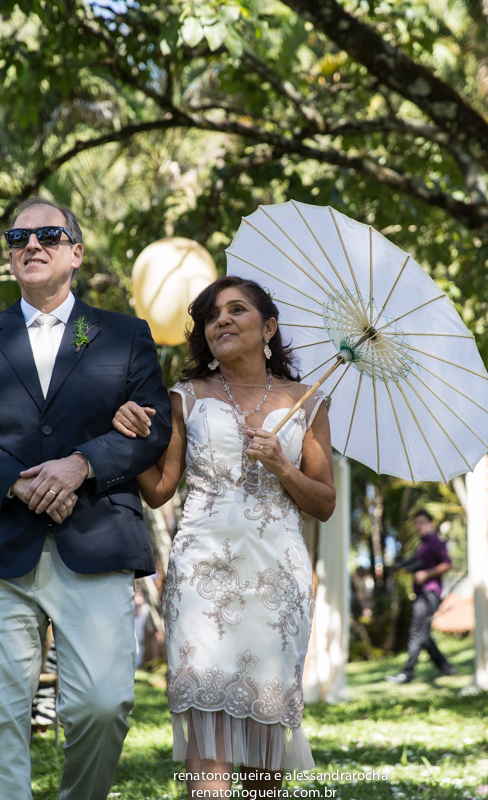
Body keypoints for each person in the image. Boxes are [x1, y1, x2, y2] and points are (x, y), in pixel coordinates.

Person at [0, 196, 172, 800]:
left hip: (94, 539)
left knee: (103, 703)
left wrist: (80, 465)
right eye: (18, 237)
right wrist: (20, 481)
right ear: (9, 256)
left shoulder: (125, 335)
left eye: (47, 235)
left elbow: (155, 428)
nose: (31, 244)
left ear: (76, 253)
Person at [112, 275, 336, 800]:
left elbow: (323, 503)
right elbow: (161, 490)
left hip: (277, 577)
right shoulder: (185, 397)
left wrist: (284, 464)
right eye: (213, 316)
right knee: (206, 716)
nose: (222, 321)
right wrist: (135, 445)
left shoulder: (308, 402)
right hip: (201, 576)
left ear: (270, 328)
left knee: (266, 724)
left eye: (237, 310)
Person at [386, 509, 456, 683]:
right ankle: (446, 668)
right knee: (423, 635)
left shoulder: (433, 541)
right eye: (416, 523)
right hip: (423, 594)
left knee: (416, 633)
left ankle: (407, 673)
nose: (419, 526)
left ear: (431, 524)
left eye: (422, 522)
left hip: (428, 594)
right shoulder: (423, 544)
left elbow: (447, 564)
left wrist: (426, 574)